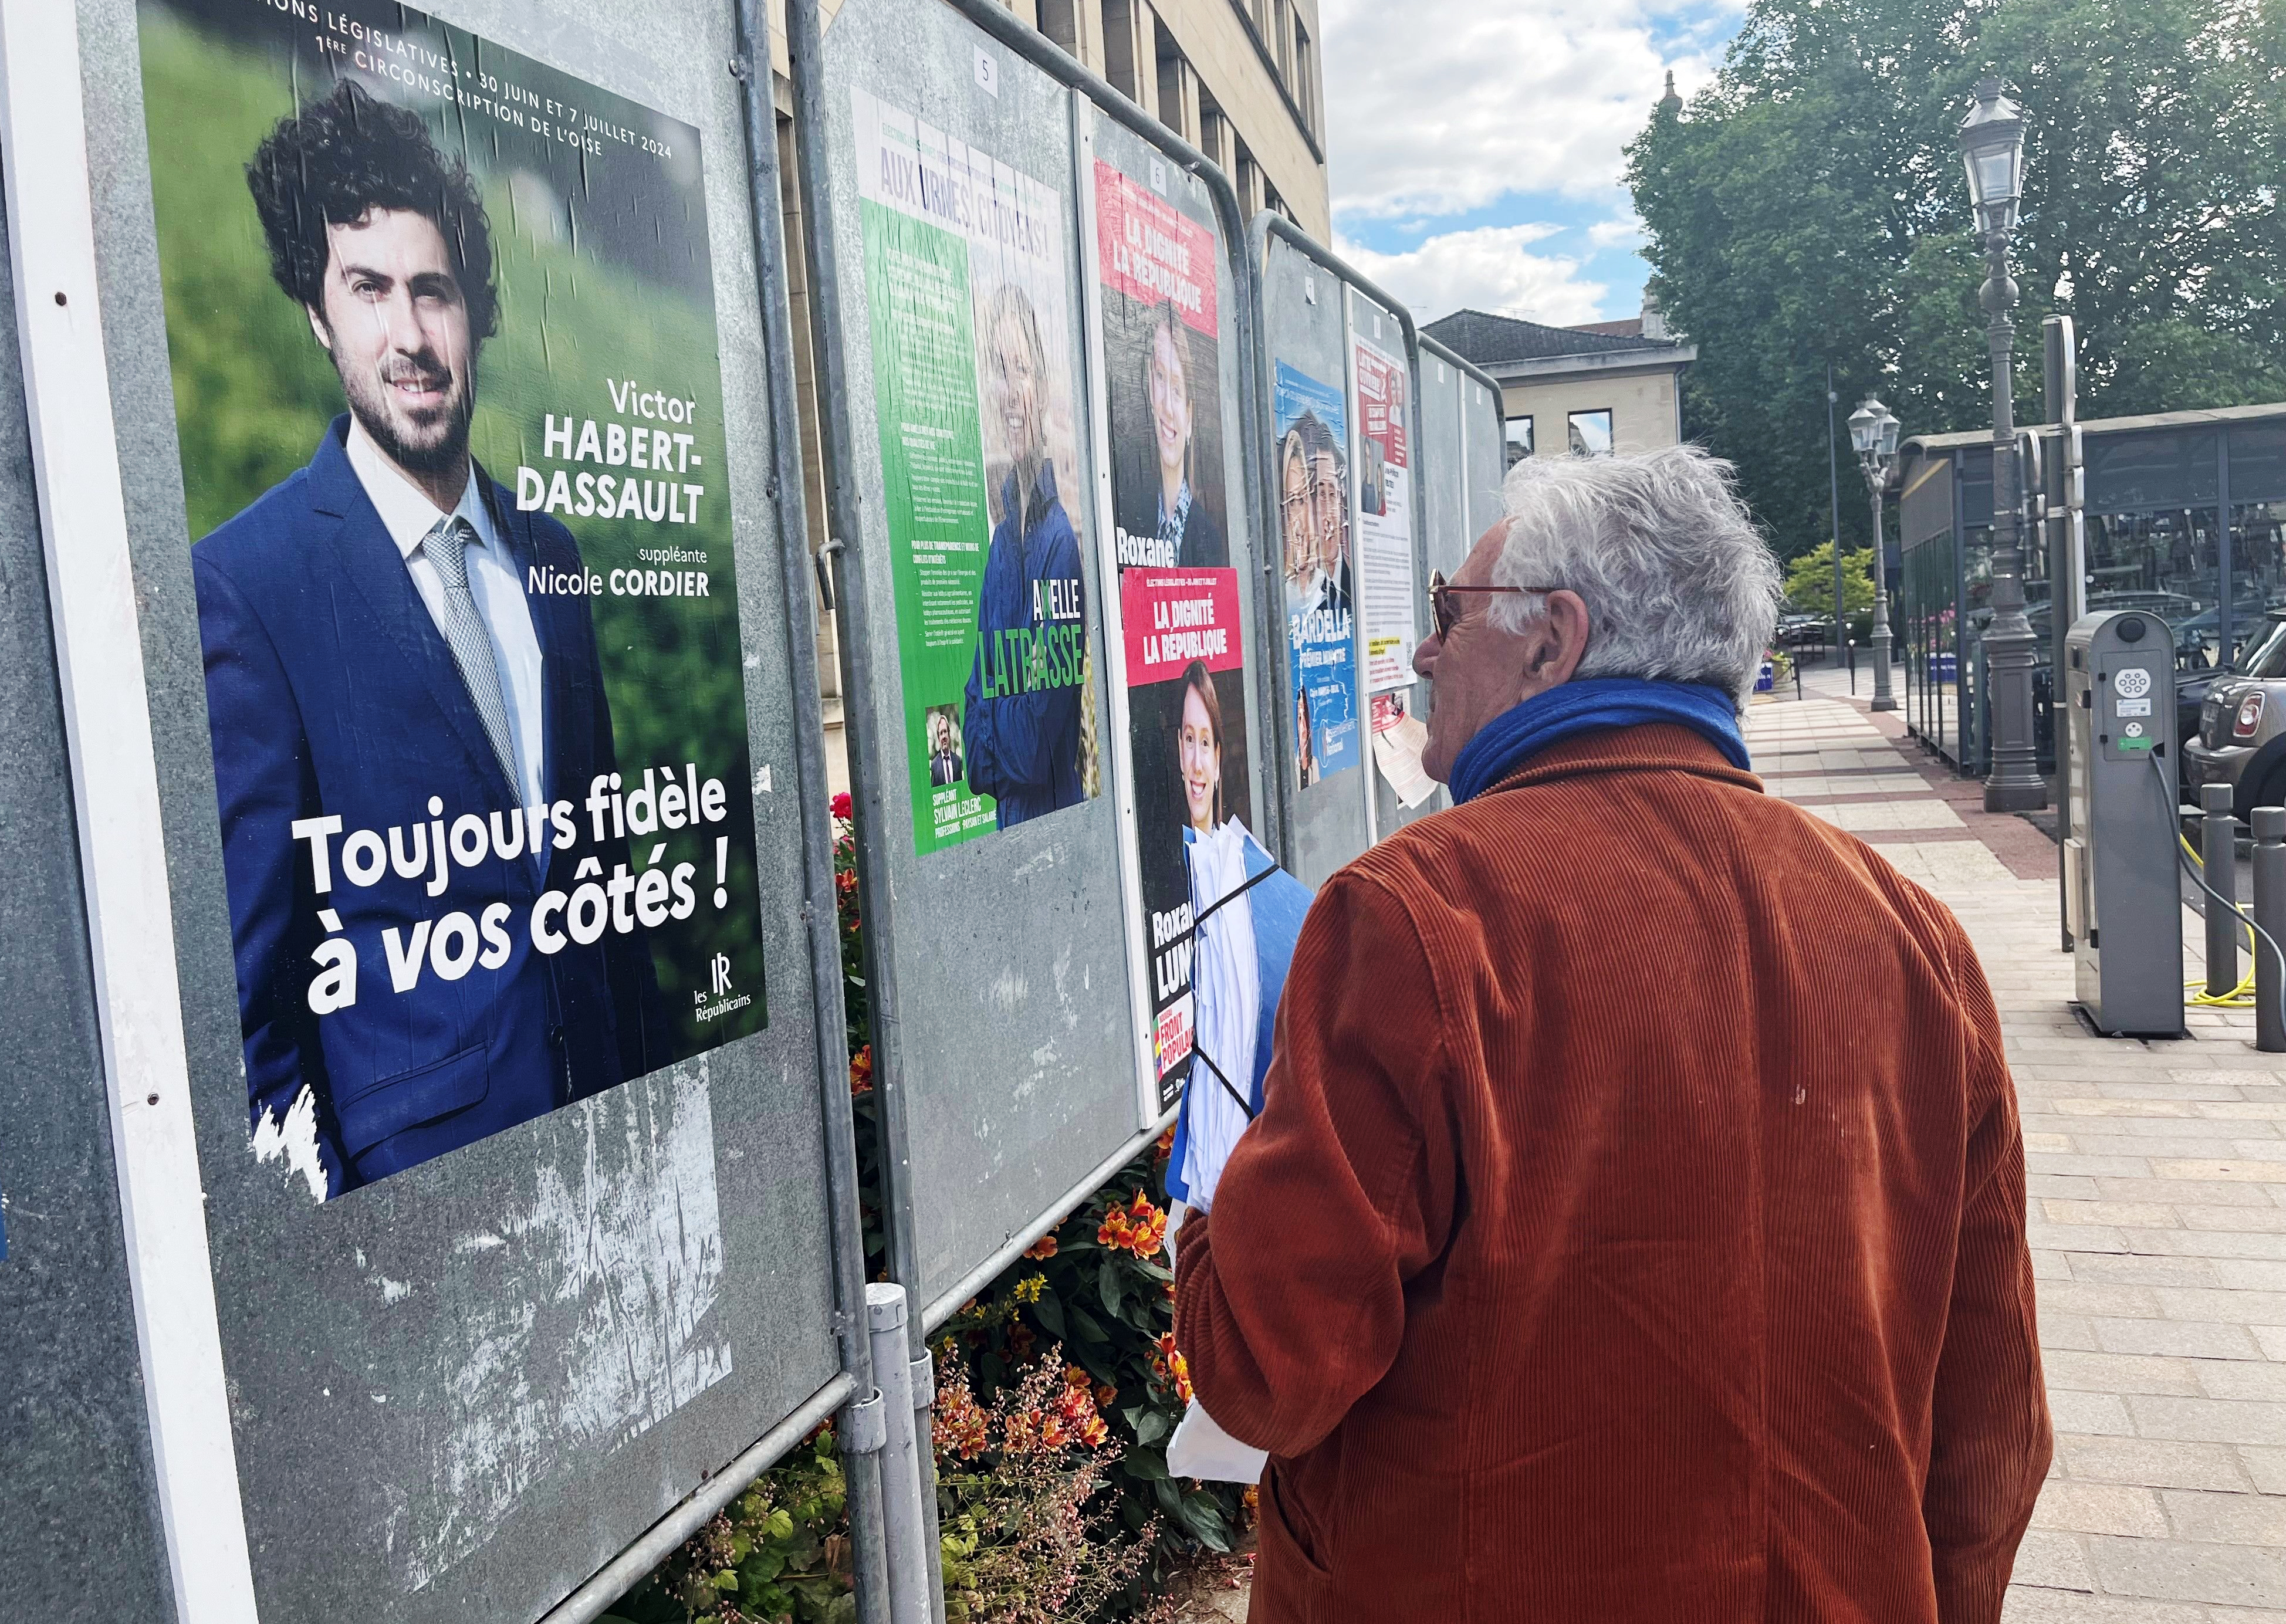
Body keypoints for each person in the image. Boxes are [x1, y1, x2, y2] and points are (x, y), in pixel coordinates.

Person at [1174, 446, 2051, 1621]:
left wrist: (1200, 1220)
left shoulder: (1416, 918)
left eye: (1449, 611)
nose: (1426, 649)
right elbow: (1991, 1427)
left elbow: (1268, 1373)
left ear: (1554, 640)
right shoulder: (1912, 938)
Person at [194, 81, 662, 1197]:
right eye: (368, 290)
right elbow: (248, 991)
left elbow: (599, 872)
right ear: (319, 312)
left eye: (433, 292)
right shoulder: (248, 587)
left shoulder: (550, 553)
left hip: (607, 1149)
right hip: (417, 1197)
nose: (408, 335)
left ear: (478, 311)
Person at [961, 283, 1088, 829]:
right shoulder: (1000, 548)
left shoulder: (1059, 544)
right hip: (1011, 830)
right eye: (997, 369)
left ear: (1040, 383)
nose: (1009, 390)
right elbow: (973, 754)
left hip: (1058, 832)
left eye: (1020, 369)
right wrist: (995, 717)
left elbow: (1036, 744)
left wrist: (994, 712)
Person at [1136, 300, 1221, 567]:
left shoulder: (1209, 538)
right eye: (1160, 377)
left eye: (1177, 388)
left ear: (1190, 417)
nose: (1168, 408)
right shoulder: (1136, 520)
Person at [927, 710, 965, 788]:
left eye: (945, 731)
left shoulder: (957, 761)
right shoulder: (934, 765)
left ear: (949, 733)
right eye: (941, 733)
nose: (944, 736)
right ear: (938, 737)